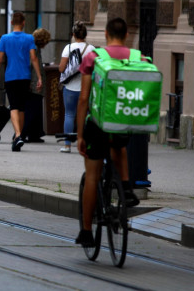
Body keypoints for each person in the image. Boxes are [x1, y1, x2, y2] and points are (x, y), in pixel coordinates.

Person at [75, 17, 140, 247]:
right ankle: (125, 187)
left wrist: (80, 134)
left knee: (92, 175)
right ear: (127, 35)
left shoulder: (94, 57)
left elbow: (84, 98)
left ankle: (86, 232)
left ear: (105, 34)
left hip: (98, 124)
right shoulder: (137, 57)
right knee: (118, 146)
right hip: (124, 119)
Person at [0, 11, 43, 152]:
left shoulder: (5, 38)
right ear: (24, 23)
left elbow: (0, 60)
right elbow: (34, 58)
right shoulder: (29, 39)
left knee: (13, 106)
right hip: (25, 76)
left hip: (11, 76)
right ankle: (17, 137)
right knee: (21, 107)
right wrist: (39, 77)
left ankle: (18, 134)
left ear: (11, 22)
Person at [58, 21, 95, 153]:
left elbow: (61, 68)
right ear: (85, 34)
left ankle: (67, 145)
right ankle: (86, 144)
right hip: (86, 88)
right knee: (87, 116)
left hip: (70, 88)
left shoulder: (68, 48)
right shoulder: (91, 49)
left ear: (73, 34)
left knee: (69, 114)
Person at [21, 28, 51, 143]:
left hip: (33, 82)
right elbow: (31, 64)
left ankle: (34, 134)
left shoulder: (34, 47)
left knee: (35, 109)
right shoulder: (33, 48)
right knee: (32, 109)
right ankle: (23, 134)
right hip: (34, 83)